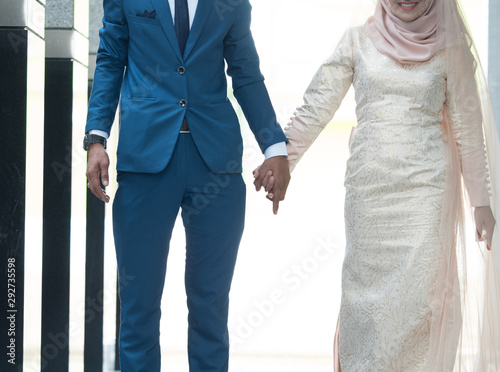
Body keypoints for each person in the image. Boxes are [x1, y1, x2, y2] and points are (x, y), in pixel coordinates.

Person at [254, 0, 500, 370]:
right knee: (366, 307)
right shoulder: (357, 40)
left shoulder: (451, 47)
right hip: (370, 200)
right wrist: (281, 160)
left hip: (427, 198)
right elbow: (316, 106)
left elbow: (467, 128)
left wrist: (481, 201)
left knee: (421, 304)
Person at [83, 0, 290, 371]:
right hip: (145, 163)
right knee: (138, 307)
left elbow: (245, 72)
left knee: (211, 306)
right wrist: (96, 138)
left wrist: (274, 147)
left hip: (216, 166)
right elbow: (111, 57)